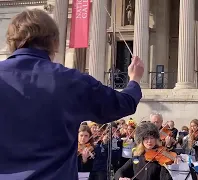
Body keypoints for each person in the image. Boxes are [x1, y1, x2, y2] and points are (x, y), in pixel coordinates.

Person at [0, 9, 144, 180]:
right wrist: (134, 80)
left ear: (11, 41)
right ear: (54, 42)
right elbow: (122, 104)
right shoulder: (71, 80)